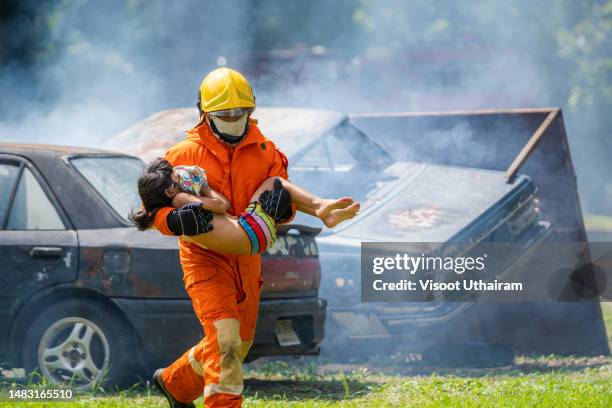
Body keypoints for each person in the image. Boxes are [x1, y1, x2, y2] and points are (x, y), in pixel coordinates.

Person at [142, 67, 358, 408]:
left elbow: (280, 200)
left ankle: (173, 384)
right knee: (225, 341)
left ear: (251, 110)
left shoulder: (265, 151)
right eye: (223, 114)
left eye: (239, 112)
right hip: (205, 258)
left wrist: (310, 208)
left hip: (248, 257)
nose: (232, 118)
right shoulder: (180, 156)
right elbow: (150, 212)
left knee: (235, 346)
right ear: (204, 113)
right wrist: (174, 220)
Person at [130, 157, 359, 256]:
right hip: (251, 230)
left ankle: (323, 213)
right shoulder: (180, 201)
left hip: (252, 239)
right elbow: (223, 205)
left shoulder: (166, 208)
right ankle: (319, 207)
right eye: (176, 177)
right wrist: (198, 191)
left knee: (275, 189)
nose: (181, 176)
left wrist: (200, 188)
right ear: (169, 191)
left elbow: (221, 208)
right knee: (273, 183)